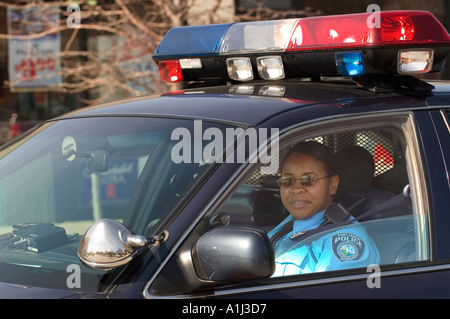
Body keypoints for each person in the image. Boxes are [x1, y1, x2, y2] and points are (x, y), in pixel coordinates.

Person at [267, 141, 380, 277]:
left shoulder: (344, 242)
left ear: (332, 184)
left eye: (309, 180)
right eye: (287, 180)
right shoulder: (288, 224)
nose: (296, 189)